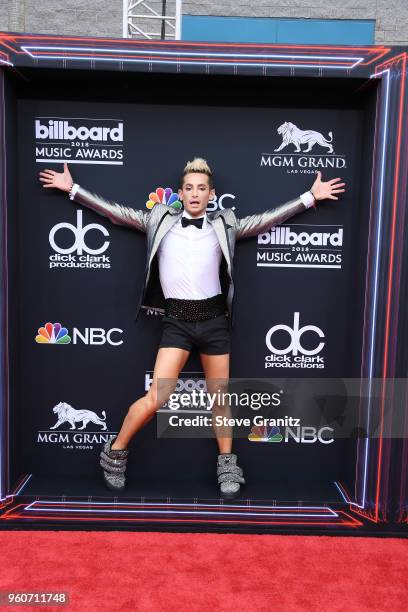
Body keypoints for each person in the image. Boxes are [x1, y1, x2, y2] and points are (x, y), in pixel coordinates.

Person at [39, 159, 345, 498]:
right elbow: (116, 213)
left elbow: (263, 221)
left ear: (211, 194)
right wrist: (74, 190)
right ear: (180, 194)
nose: (195, 194)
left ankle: (228, 465)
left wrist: (309, 198)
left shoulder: (224, 224)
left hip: (215, 322)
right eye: (189, 188)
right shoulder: (159, 219)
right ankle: (114, 453)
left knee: (221, 399)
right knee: (158, 397)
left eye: (202, 188)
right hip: (176, 323)